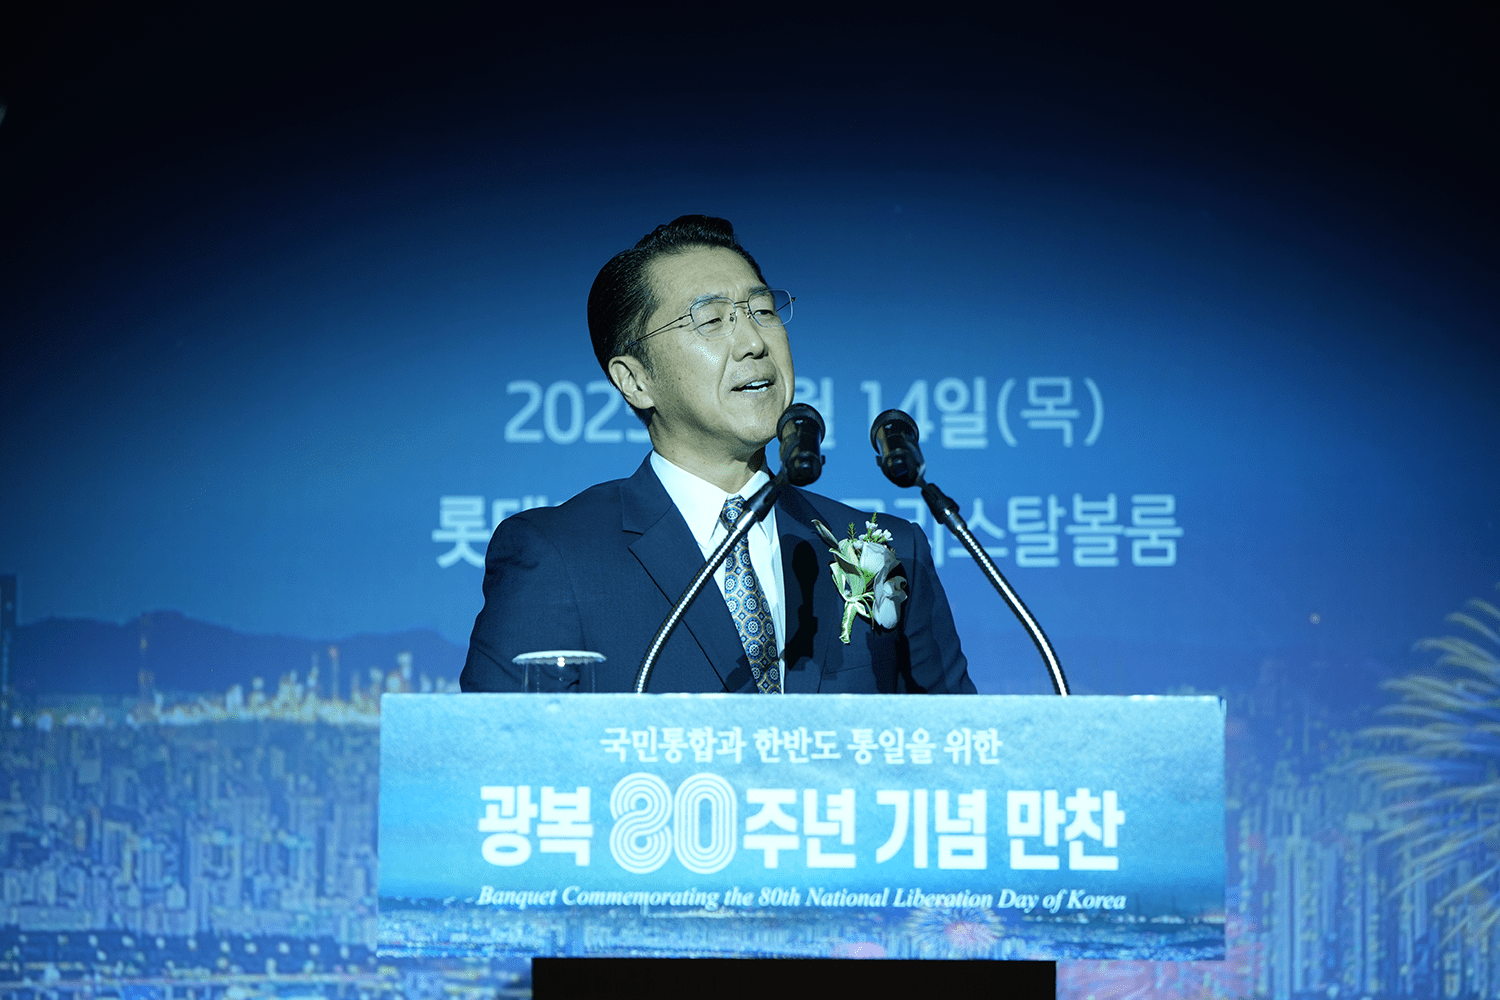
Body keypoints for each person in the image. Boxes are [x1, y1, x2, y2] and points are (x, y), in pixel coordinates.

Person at [460, 216, 974, 694]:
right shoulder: (558, 556)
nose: (753, 341)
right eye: (711, 320)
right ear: (635, 380)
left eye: (764, 311)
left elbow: (963, 756)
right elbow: (501, 766)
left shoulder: (888, 549)